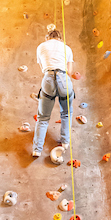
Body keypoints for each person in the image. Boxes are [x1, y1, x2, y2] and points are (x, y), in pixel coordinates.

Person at [32, 27, 74, 158]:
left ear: (47, 38)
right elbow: (70, 71)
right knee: (66, 113)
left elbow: (42, 69)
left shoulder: (41, 47)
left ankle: (37, 150)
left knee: (43, 118)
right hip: (63, 79)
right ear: (60, 38)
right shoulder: (67, 48)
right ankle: (65, 143)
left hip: (48, 79)